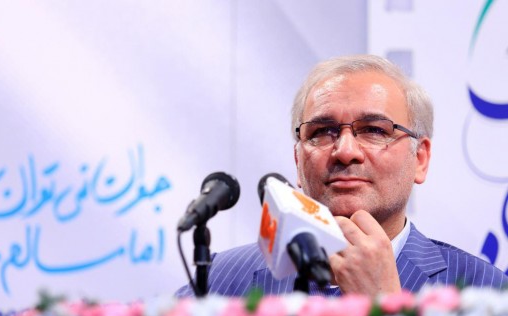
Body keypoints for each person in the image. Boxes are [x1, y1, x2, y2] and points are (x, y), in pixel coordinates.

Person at [176, 54, 508, 298]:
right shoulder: (220, 282)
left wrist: (384, 305)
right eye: (322, 132)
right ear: (298, 159)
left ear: (420, 159)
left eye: (374, 130)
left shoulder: (484, 292)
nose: (345, 151)